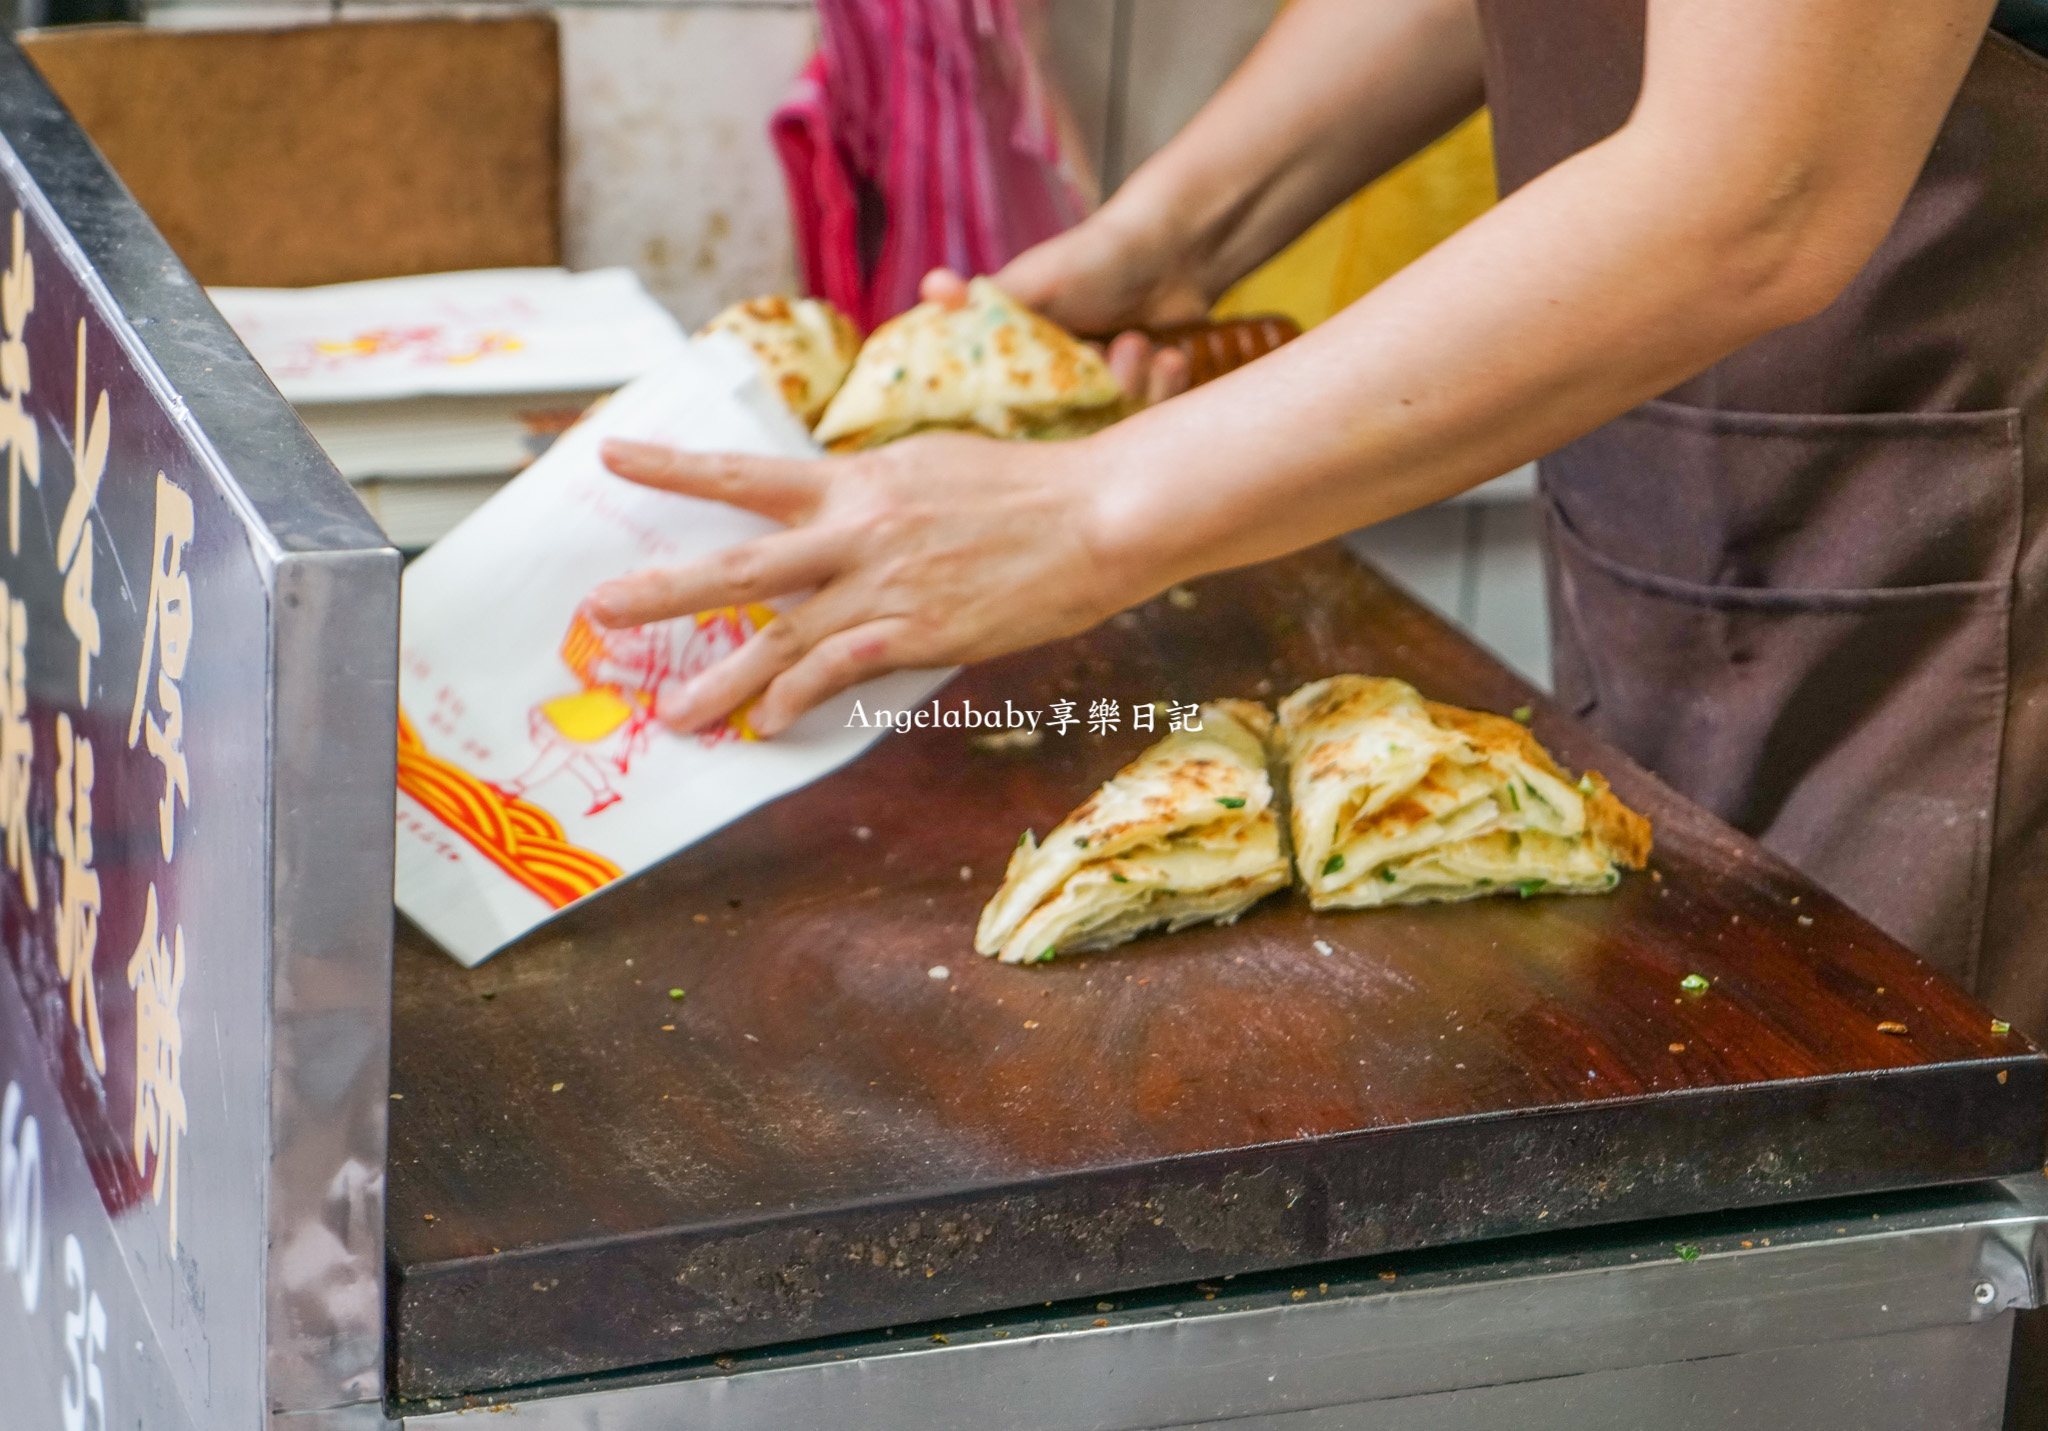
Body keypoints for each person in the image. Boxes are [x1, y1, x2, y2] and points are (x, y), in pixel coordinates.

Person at [582, 0, 2048, 1033]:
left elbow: (1763, 194)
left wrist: (1087, 508)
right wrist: (1171, 238)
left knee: (1901, 1127)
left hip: (1966, 492)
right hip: (1694, 456)